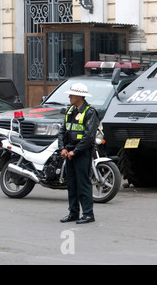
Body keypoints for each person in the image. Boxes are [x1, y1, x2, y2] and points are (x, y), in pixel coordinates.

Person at [58, 83, 99, 224]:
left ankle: (88, 214)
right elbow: (62, 131)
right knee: (72, 184)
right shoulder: (70, 110)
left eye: (72, 94)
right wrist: (62, 148)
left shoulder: (90, 112)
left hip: (81, 153)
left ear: (80, 96)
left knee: (83, 183)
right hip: (69, 152)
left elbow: (89, 137)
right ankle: (73, 213)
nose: (69, 96)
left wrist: (75, 152)